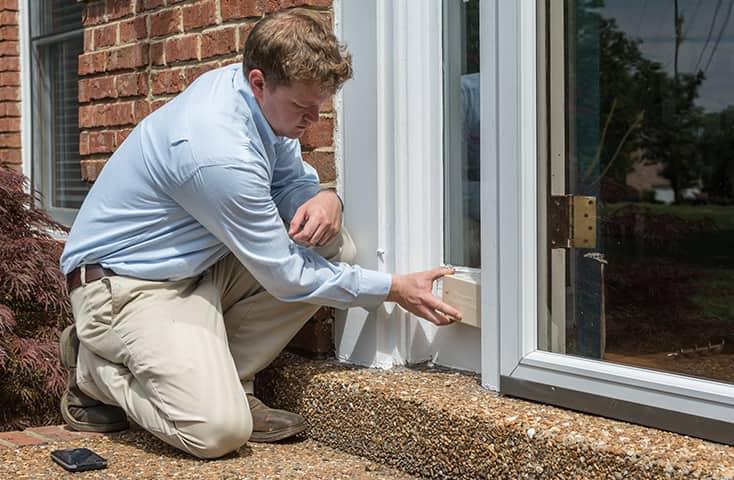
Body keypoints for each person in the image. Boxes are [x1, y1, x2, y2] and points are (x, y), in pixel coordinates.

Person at [58, 8, 461, 460]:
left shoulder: (261, 100)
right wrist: (393, 288)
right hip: (126, 289)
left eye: (320, 106)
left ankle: (226, 379)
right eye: (303, 108)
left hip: (196, 267)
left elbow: (289, 179)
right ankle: (90, 365)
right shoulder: (217, 151)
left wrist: (325, 196)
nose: (312, 118)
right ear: (258, 81)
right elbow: (286, 276)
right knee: (218, 432)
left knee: (330, 242)